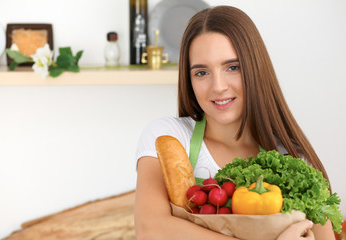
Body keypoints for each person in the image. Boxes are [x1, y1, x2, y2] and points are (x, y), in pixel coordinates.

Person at [134, 5, 335, 240]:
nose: (218, 86)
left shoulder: (292, 159)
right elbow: (150, 229)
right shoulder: (169, 137)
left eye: (233, 67)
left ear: (255, 69)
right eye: (201, 72)